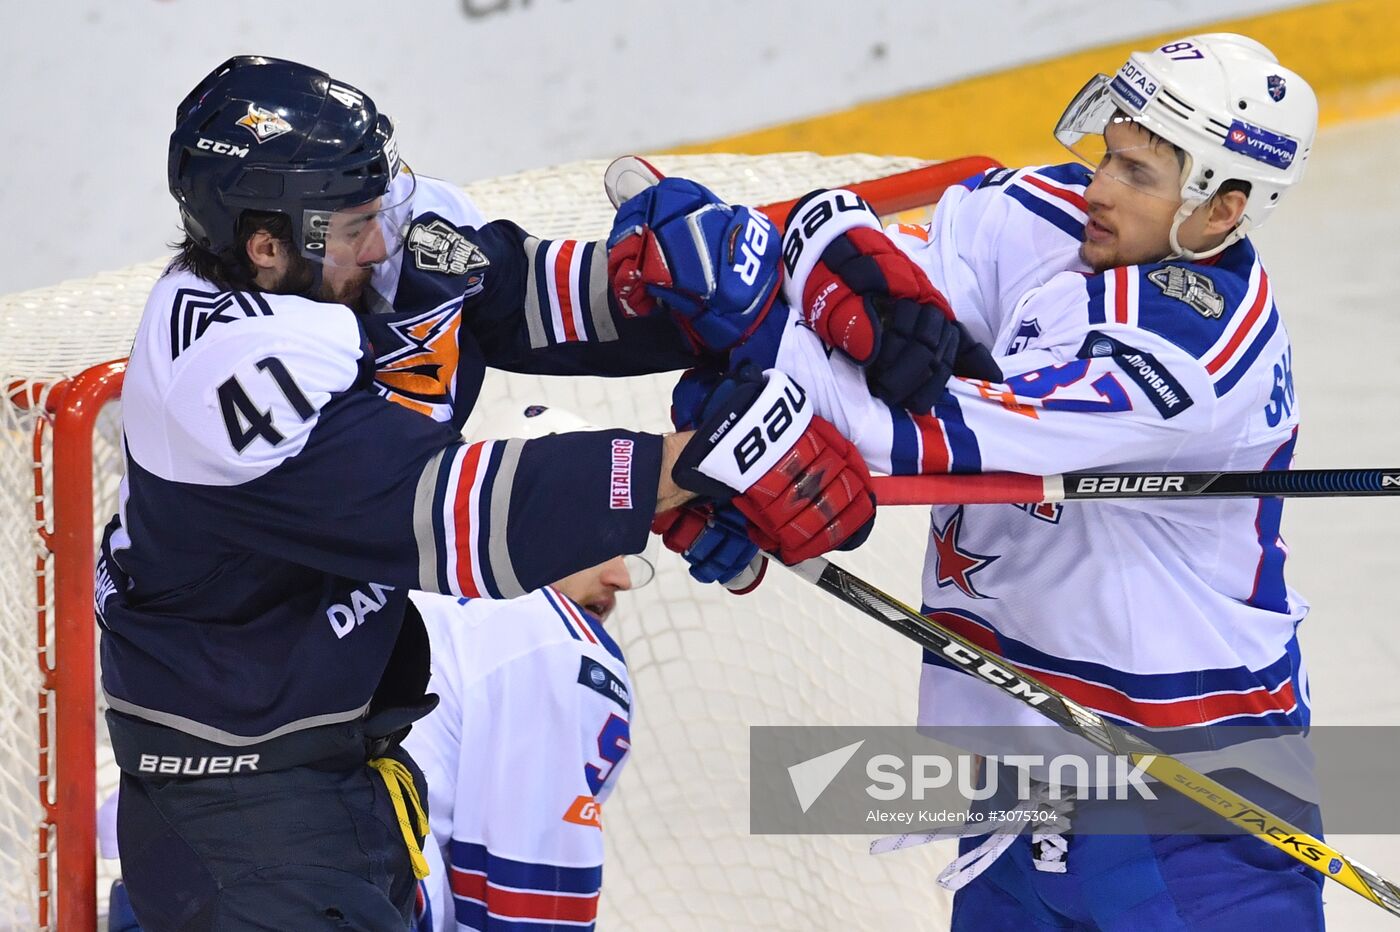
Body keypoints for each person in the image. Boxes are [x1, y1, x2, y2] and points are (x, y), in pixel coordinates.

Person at [98, 55, 880, 929]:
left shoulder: (353, 240)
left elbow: (506, 292)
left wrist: (658, 291)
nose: (382, 242)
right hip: (236, 813)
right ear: (267, 243)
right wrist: (681, 467)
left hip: (341, 767)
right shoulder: (218, 376)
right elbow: (445, 511)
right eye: (355, 227)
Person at [640, 33, 1325, 929]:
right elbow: (872, 288)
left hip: (1192, 800)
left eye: (1140, 175)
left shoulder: (1192, 359)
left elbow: (926, 438)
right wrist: (816, 262)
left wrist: (739, 420)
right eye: (1110, 153)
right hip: (1021, 782)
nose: (1101, 188)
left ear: (1224, 208)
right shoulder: (1038, 215)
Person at [403, 406, 642, 932]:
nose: (622, 576)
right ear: (531, 515)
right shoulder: (552, 639)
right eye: (607, 536)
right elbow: (527, 907)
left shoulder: (399, 590)